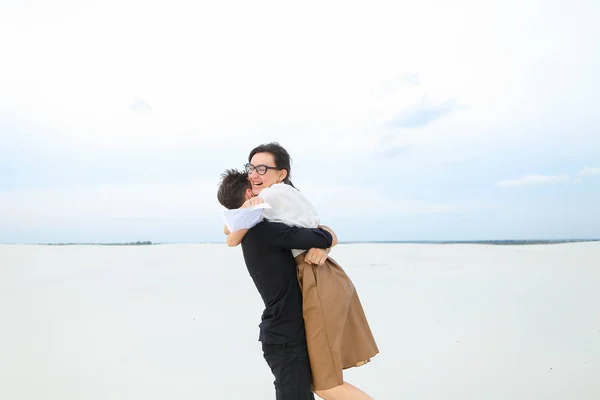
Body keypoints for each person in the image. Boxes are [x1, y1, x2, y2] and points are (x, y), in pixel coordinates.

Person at [218, 143, 379, 400]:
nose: (254, 174)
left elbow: (231, 233)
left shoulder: (272, 200)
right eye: (251, 168)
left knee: (326, 385)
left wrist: (326, 240)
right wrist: (327, 238)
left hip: (303, 305)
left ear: (281, 175)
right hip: (292, 320)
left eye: (262, 168)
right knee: (325, 385)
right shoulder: (267, 220)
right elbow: (233, 232)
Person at [218, 169, 338, 400]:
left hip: (283, 334)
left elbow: (230, 232)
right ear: (249, 193)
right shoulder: (265, 232)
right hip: (285, 339)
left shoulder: (253, 232)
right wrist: (327, 237)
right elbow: (321, 237)